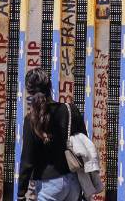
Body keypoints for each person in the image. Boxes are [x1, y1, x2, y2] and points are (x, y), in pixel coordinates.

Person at [17, 68, 87, 201]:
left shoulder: (31, 119)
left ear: (29, 91)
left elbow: (28, 159)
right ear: (50, 86)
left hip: (48, 184)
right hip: (73, 181)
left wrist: (21, 193)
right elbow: (84, 144)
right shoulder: (70, 110)